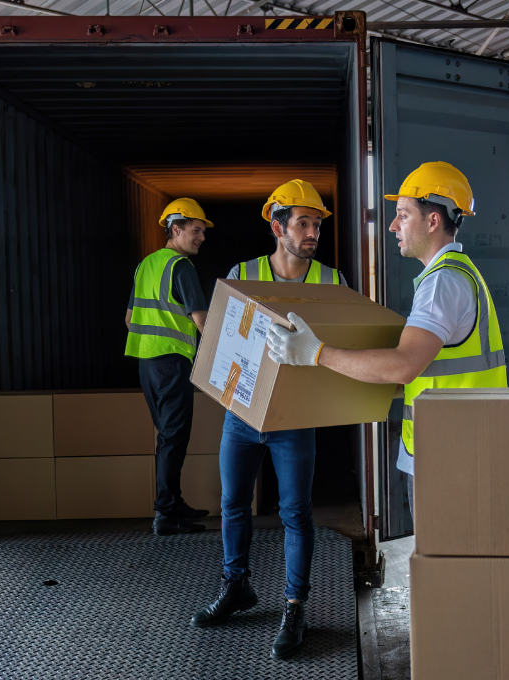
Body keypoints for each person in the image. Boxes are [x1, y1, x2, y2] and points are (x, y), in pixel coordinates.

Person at [266, 162, 507, 517]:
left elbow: (405, 364)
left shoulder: (442, 283)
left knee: (442, 551)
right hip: (461, 446)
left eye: (403, 215)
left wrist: (315, 352)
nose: (393, 225)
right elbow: (429, 368)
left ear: (433, 221)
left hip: (447, 456)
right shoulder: (460, 274)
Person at [190, 180, 345, 661]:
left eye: (317, 224)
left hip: (295, 417)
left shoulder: (331, 282)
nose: (313, 232)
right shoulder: (244, 273)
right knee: (233, 503)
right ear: (278, 228)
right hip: (242, 413)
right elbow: (221, 338)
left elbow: (344, 351)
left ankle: (295, 608)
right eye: (303, 223)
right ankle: (236, 586)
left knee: (295, 513)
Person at [125, 198, 212, 536]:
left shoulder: (145, 265)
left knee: (167, 437)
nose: (201, 237)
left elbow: (129, 319)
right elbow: (202, 322)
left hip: (147, 364)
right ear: (176, 229)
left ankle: (173, 503)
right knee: (174, 439)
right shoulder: (181, 266)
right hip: (172, 364)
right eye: (196, 230)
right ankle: (166, 514)